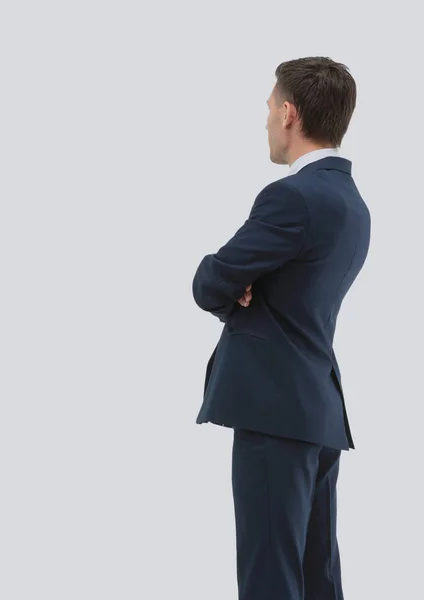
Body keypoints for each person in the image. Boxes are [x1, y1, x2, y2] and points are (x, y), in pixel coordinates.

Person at [192, 56, 371, 600]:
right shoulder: (352, 203)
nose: (266, 121)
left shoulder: (292, 197)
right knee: (318, 579)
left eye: (270, 108)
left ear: (289, 114)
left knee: (269, 578)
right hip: (317, 412)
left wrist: (231, 290)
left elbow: (210, 282)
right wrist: (244, 291)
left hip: (274, 411)